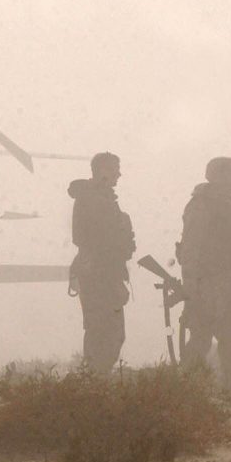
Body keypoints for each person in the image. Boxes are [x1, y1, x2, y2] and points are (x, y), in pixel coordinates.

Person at [177, 156, 231, 398]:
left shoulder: (228, 208)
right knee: (203, 335)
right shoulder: (201, 206)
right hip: (207, 282)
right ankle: (187, 387)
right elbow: (191, 248)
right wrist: (191, 283)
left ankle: (229, 383)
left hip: (225, 281)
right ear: (218, 177)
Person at [68, 152, 135, 374]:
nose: (119, 174)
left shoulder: (99, 199)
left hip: (104, 272)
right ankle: (95, 382)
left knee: (110, 332)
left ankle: (97, 380)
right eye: (115, 169)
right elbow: (90, 238)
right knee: (103, 331)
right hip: (99, 273)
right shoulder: (92, 199)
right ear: (103, 170)